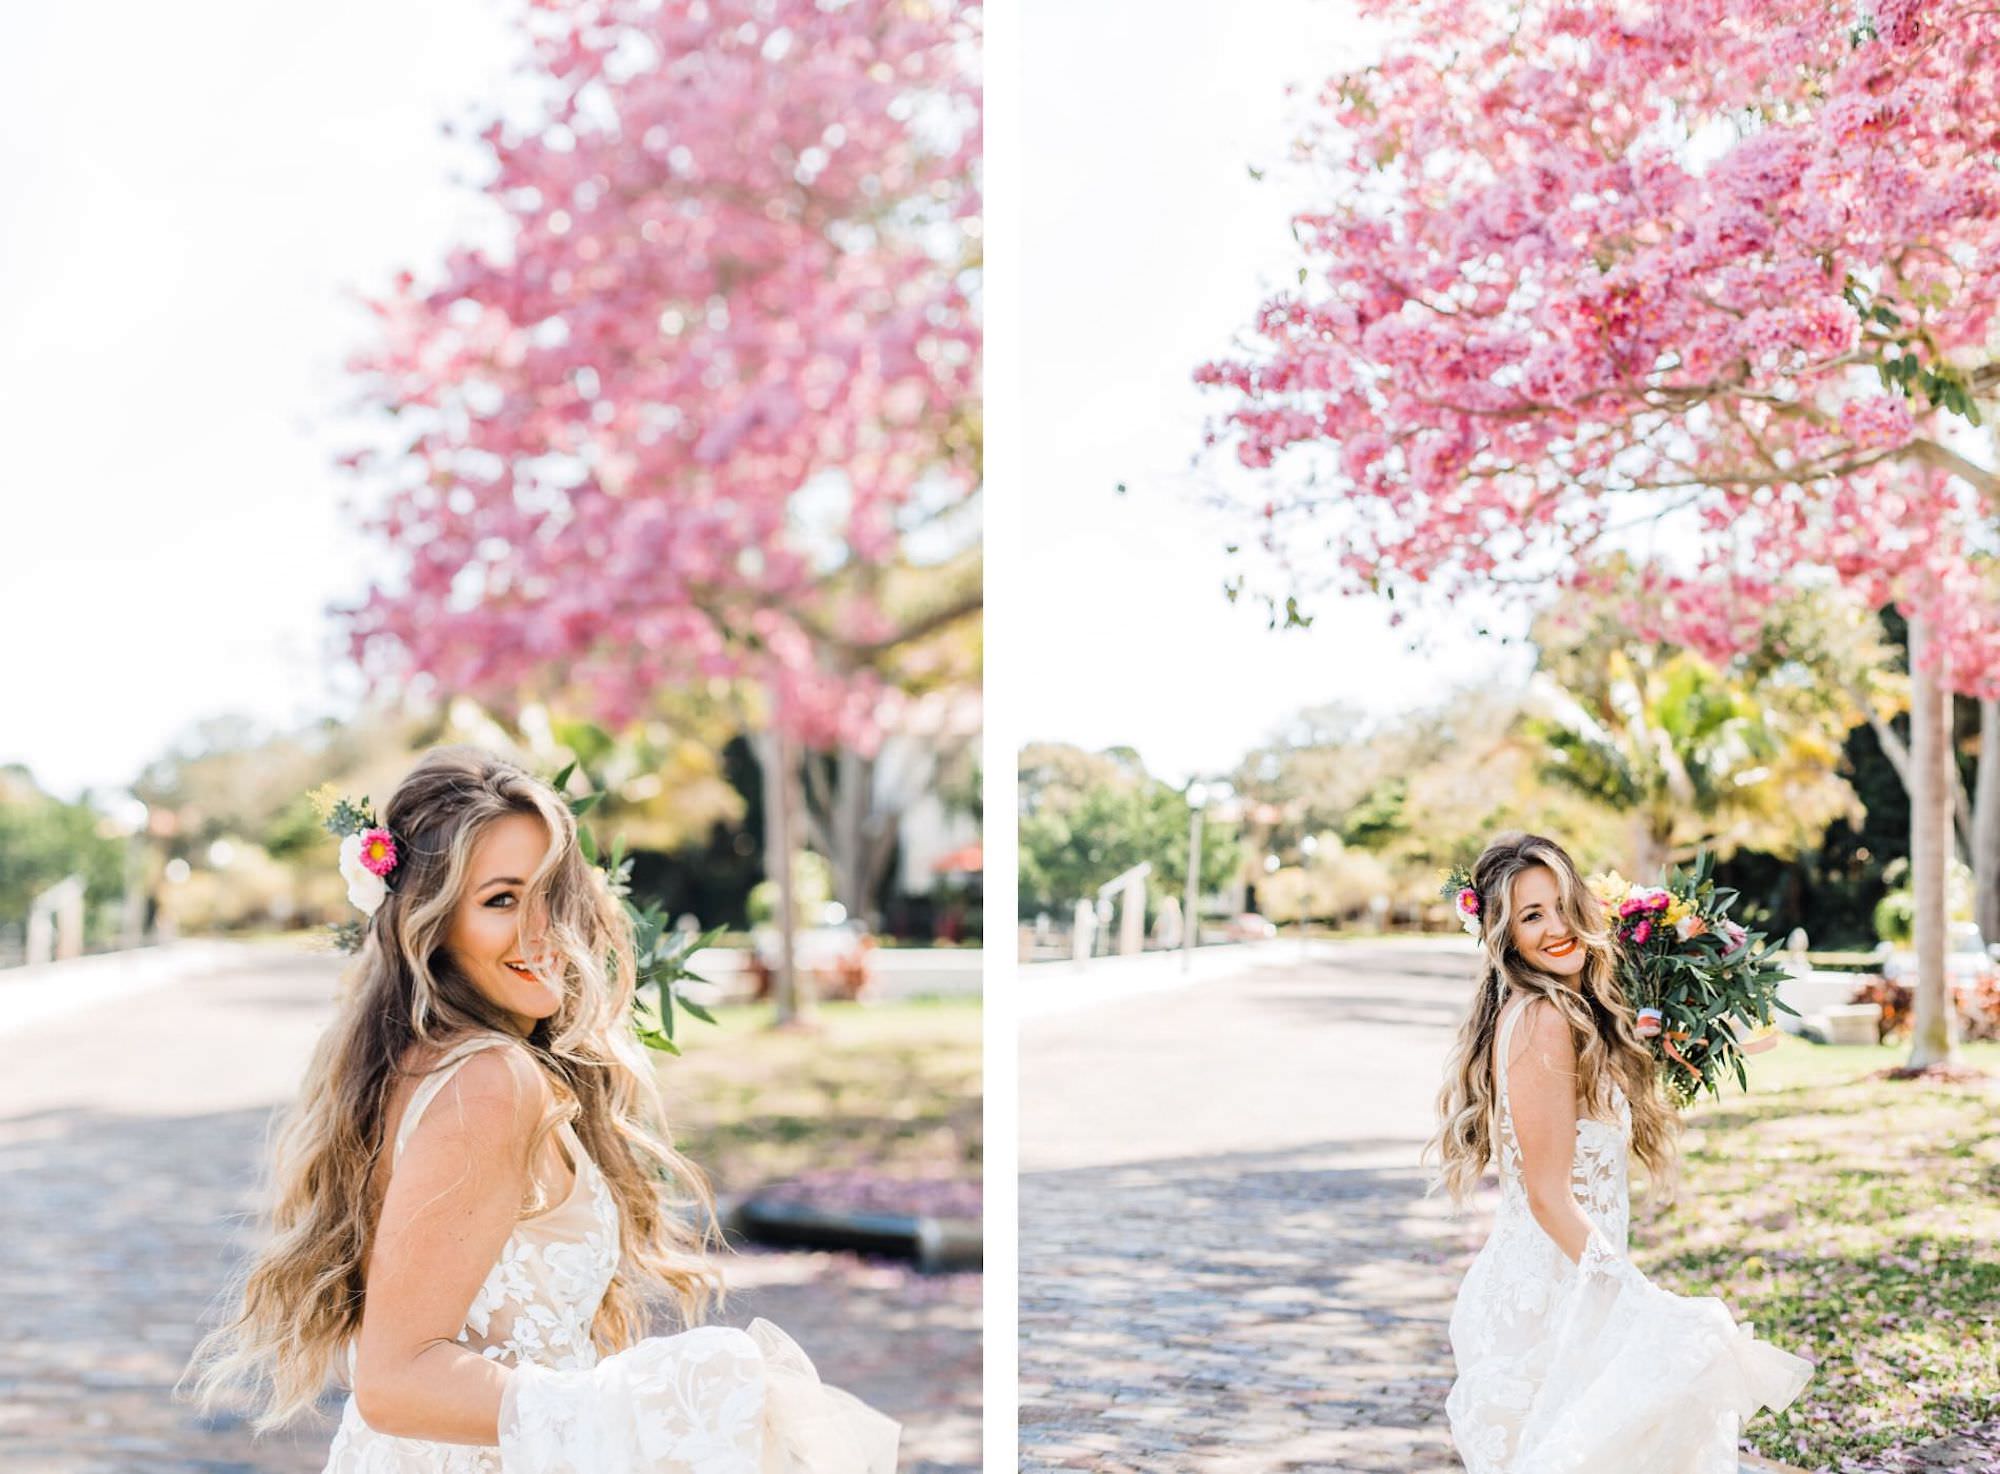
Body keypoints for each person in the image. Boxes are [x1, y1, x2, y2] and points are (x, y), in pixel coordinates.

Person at [181, 745, 897, 1473]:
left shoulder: (424, 1063)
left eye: (552, 891)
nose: (542, 930)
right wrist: (647, 1408)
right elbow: (394, 1381)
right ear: (433, 926)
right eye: (500, 899)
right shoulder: (491, 1081)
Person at [1427, 832, 1810, 1474]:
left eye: (1560, 903)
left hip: (1572, 1283)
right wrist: (1633, 1297)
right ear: (1503, 937)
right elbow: (1549, 1197)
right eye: (1530, 916)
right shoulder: (1543, 1019)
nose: (1556, 927)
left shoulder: (1568, 1011)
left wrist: (1722, 1026)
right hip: (1553, 1299)